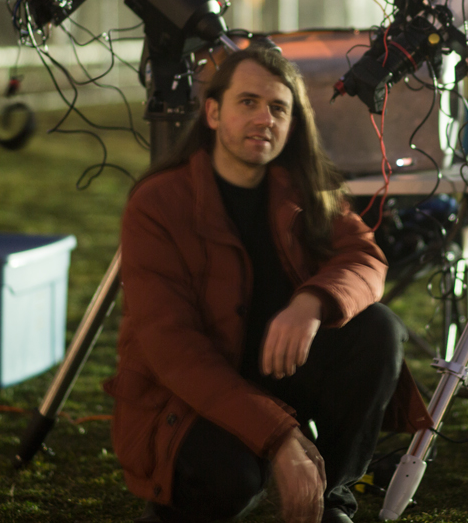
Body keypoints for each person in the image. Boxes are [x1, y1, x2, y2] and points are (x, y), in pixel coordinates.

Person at [105, 47, 432, 523]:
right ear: (213, 113)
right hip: (191, 396)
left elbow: (365, 259)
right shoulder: (158, 203)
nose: (265, 118)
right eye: (248, 102)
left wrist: (312, 301)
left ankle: (330, 495)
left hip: (280, 373)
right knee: (231, 479)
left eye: (279, 108)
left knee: (377, 331)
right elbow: (172, 349)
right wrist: (278, 435)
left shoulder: (302, 187)